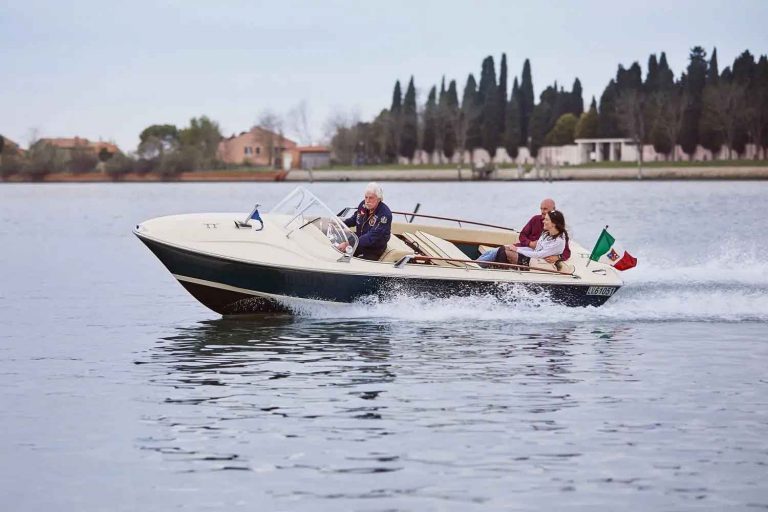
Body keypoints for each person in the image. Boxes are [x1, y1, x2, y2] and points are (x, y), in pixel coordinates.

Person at [477, 198, 570, 264]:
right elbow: (522, 235)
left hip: (532, 255)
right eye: (541, 208)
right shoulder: (536, 220)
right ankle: (476, 265)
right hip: (525, 247)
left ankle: (476, 266)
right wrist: (530, 243)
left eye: (545, 209)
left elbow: (566, 252)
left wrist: (558, 257)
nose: (542, 211)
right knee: (494, 251)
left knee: (496, 252)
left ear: (553, 210)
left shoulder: (557, 233)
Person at [337, 182, 392, 260]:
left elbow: (372, 237)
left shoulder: (384, 215)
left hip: (374, 249)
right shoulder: (363, 205)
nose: (367, 201)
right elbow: (354, 219)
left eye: (371, 198)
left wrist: (349, 243)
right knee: (338, 251)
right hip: (359, 241)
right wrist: (340, 223)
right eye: (366, 197)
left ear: (379, 199)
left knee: (357, 261)